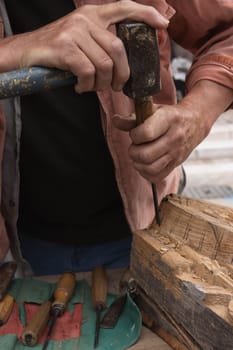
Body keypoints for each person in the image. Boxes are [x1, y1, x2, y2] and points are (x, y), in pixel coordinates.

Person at [0, 0, 232, 276]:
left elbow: (227, 31)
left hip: (144, 220)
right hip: (15, 241)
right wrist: (15, 49)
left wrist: (197, 113)